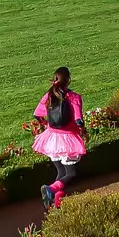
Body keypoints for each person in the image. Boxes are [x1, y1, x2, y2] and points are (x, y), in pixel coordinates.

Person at [31, 66, 87, 211]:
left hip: (51, 139)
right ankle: (50, 189)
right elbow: (78, 120)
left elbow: (37, 114)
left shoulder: (49, 95)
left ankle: (56, 200)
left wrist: (45, 124)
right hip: (67, 139)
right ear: (68, 80)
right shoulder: (74, 97)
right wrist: (83, 131)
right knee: (71, 173)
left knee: (61, 173)